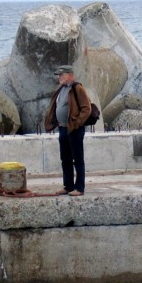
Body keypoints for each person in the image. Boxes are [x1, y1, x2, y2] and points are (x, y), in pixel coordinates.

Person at [44, 65, 91, 196]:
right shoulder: (61, 89)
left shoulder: (77, 88)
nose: (59, 77)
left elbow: (86, 108)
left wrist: (77, 123)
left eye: (62, 75)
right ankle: (68, 186)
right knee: (65, 159)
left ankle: (79, 188)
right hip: (63, 128)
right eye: (59, 75)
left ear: (70, 75)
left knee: (78, 159)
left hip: (74, 129)